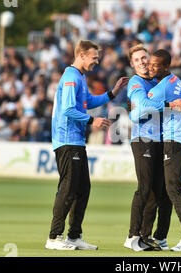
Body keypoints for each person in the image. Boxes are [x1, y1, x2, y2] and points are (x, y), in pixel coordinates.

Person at [45, 40, 129, 250]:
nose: (97, 61)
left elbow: (88, 102)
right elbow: (68, 110)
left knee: (82, 189)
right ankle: (54, 238)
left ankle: (74, 236)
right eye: (94, 57)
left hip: (75, 140)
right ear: (81, 55)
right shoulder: (72, 77)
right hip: (66, 140)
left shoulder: (79, 76)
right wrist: (93, 121)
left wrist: (112, 92)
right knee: (68, 188)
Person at [131, 49, 181, 251]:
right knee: (166, 190)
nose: (150, 68)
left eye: (155, 65)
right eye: (149, 64)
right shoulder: (176, 81)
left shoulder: (161, 87)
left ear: (166, 67)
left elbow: (137, 114)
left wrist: (134, 107)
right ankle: (160, 237)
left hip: (175, 138)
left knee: (172, 188)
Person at [124, 44, 181, 251]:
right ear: (132, 65)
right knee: (145, 188)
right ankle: (132, 235)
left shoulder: (157, 82)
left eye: (144, 58)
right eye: (138, 60)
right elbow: (140, 110)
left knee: (157, 192)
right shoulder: (136, 82)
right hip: (143, 139)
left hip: (161, 139)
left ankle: (145, 236)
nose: (142, 62)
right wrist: (169, 106)